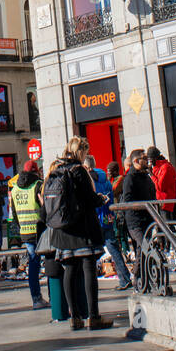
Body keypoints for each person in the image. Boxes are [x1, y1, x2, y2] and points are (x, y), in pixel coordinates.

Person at [46, 138, 113, 330]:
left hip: (63, 229)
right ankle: (93, 316)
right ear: (80, 152)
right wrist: (100, 199)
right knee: (89, 271)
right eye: (85, 152)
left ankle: (75, 318)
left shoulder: (56, 170)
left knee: (70, 271)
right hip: (82, 228)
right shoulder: (78, 171)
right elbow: (89, 199)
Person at [84, 155, 132, 289]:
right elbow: (111, 195)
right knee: (113, 248)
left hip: (95, 218)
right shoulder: (105, 178)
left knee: (90, 253)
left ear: (86, 166)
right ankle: (125, 278)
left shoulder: (88, 179)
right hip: (107, 216)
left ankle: (90, 284)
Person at [9, 159, 48, 308]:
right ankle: (54, 297)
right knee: (50, 262)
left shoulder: (15, 189)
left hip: (25, 231)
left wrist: (21, 228)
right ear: (36, 171)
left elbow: (14, 213)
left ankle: (36, 299)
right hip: (40, 230)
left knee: (33, 264)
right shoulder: (38, 185)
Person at [118, 148, 157, 250]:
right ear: (135, 161)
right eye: (144, 158)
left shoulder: (146, 176)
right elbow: (127, 199)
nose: (147, 160)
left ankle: (141, 266)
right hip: (136, 222)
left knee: (142, 253)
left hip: (147, 218)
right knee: (147, 249)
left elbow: (152, 193)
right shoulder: (130, 177)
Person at [146, 146, 176, 216]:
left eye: (150, 160)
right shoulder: (157, 168)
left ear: (155, 158)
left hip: (165, 202)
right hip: (159, 201)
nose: (150, 163)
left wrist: (151, 174)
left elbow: (160, 187)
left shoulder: (165, 167)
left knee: (166, 224)